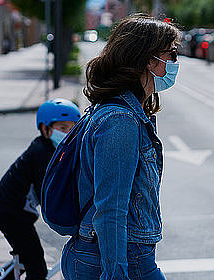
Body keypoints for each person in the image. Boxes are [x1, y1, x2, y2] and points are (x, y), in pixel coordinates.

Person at [61, 14, 180, 280]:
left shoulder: (127, 113)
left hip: (125, 254)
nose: (175, 62)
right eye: (171, 54)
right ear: (148, 60)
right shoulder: (120, 120)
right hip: (123, 259)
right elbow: (110, 208)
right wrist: (115, 273)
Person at [0, 98, 81, 280]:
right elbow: (49, 194)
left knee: (25, 259)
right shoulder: (42, 153)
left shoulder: (53, 150)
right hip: (11, 213)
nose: (68, 133)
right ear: (45, 129)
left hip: (10, 211)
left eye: (73, 128)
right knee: (37, 268)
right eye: (62, 128)